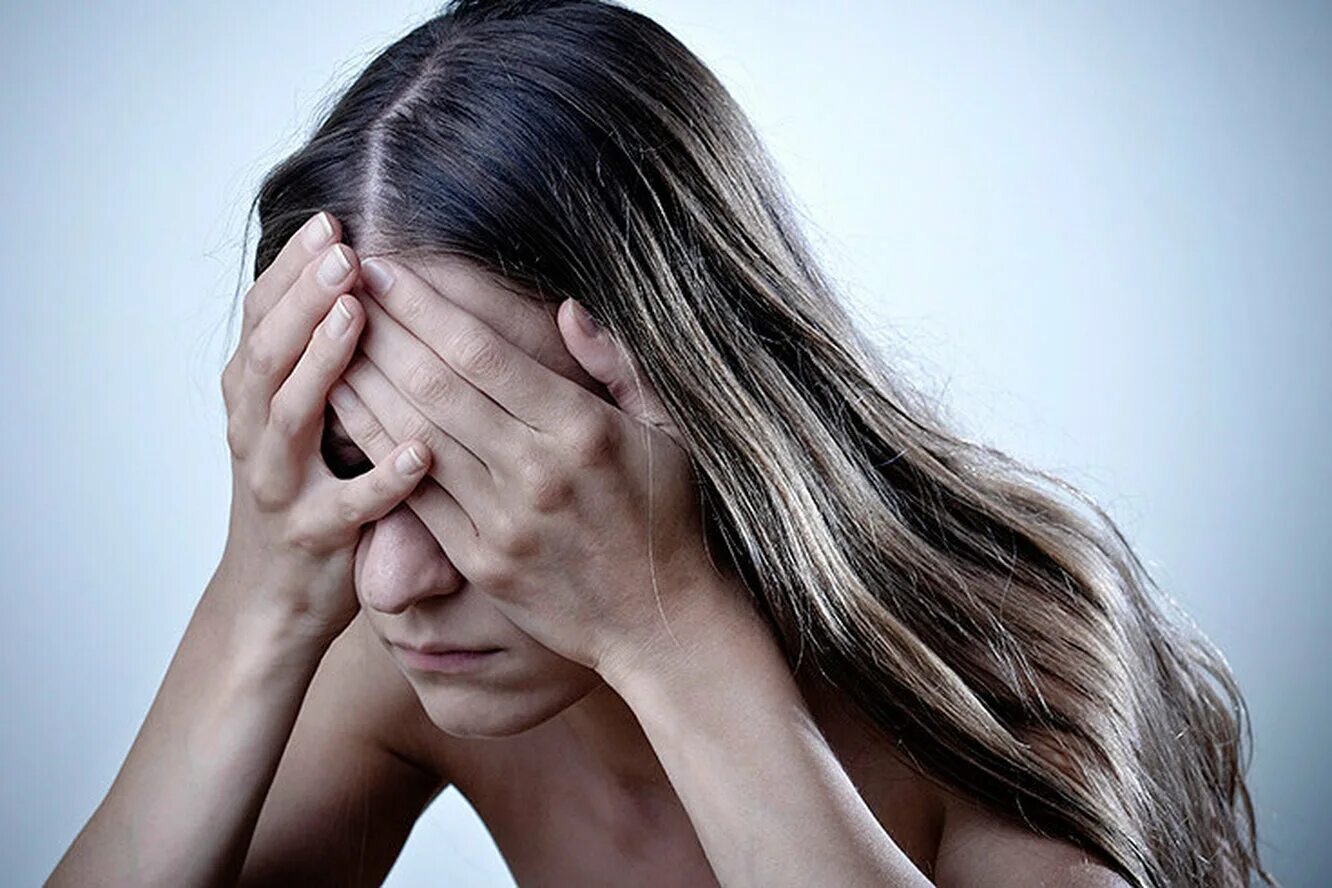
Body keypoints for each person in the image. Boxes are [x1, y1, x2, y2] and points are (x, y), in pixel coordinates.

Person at [47, 1, 1274, 886]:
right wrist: (256, 604)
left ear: (696, 397)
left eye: (490, 471)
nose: (396, 580)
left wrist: (666, 626)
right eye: (355, 464)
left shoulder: (1009, 632)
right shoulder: (400, 652)